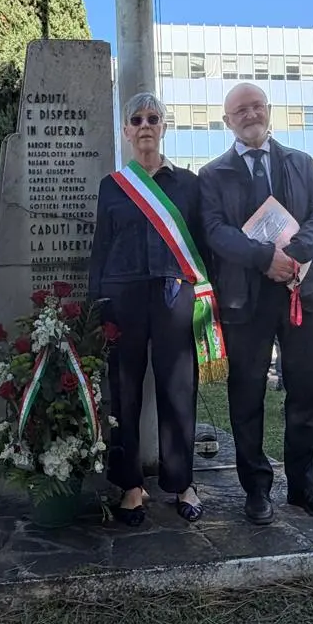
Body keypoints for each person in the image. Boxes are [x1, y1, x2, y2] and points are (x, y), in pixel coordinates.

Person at [199, 82, 313, 525]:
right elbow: (215, 231)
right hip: (246, 299)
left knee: (304, 393)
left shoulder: (301, 163)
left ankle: (304, 489)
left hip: (303, 293)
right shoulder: (212, 174)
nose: (250, 114)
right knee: (247, 396)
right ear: (227, 121)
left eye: (256, 106)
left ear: (269, 111)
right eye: (240, 110)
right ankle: (256, 490)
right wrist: (265, 258)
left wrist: (294, 254)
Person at [86, 91, 214, 526]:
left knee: (178, 387)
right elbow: (100, 248)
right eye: (136, 119)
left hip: (174, 293)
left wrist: (206, 297)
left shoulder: (189, 184)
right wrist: (94, 304)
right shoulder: (112, 187)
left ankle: (182, 482)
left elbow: (201, 244)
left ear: (163, 127)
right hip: (122, 296)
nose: (145, 125)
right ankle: (130, 485)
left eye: (153, 118)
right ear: (125, 130)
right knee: (124, 390)